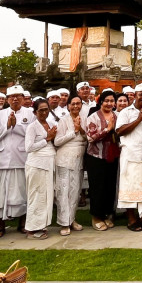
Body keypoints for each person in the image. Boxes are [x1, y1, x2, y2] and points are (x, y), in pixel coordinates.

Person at [0, 85, 32, 238]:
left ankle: (23, 223)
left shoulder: (30, 114)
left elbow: (33, 134)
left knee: (23, 192)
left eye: (18, 96)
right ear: (7, 99)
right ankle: (1, 224)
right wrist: (7, 126)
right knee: (2, 194)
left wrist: (16, 126)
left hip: (22, 158)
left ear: (23, 98)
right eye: (12, 97)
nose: (15, 99)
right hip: (2, 160)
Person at [114, 84, 142, 231]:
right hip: (131, 155)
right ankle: (131, 219)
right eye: (141, 94)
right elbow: (120, 131)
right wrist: (139, 119)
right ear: (134, 95)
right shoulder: (126, 111)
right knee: (129, 187)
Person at [84, 91, 121, 230]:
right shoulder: (93, 117)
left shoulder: (117, 116)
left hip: (113, 156)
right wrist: (107, 129)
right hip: (96, 157)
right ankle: (96, 216)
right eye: (106, 101)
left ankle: (107, 214)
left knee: (110, 186)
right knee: (97, 187)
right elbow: (90, 138)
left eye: (112, 101)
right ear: (101, 102)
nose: (109, 104)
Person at [23, 99, 57, 240]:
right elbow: (28, 147)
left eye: (46, 109)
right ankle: (32, 229)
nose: (44, 112)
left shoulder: (51, 124)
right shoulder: (32, 127)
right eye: (41, 110)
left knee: (46, 197)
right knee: (36, 196)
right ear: (35, 112)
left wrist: (52, 139)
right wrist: (47, 139)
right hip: (36, 165)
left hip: (49, 163)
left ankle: (42, 225)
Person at [53, 95, 87, 235]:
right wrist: (74, 132)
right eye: (73, 104)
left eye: (78, 103)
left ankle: (72, 219)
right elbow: (57, 141)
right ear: (68, 106)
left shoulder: (85, 119)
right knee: (63, 191)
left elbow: (88, 138)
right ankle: (64, 223)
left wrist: (81, 130)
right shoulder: (63, 120)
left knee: (75, 191)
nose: (75, 106)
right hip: (64, 160)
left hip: (78, 159)